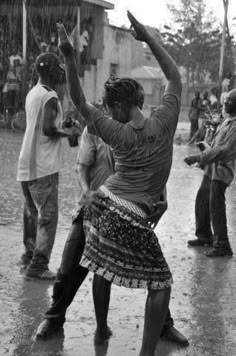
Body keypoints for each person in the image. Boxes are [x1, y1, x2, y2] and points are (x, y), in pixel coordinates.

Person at [56, 9, 182, 356]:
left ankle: (99, 330)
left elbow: (79, 102)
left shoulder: (117, 133)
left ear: (122, 106)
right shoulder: (166, 120)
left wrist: (69, 56)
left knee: (102, 267)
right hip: (127, 212)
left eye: (111, 108)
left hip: (104, 206)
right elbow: (174, 77)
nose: (108, 113)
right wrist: (148, 39)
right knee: (161, 284)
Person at [36, 120, 188, 348]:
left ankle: (163, 325)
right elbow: (81, 167)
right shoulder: (94, 130)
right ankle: (54, 319)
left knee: (152, 268)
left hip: (129, 211)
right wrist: (86, 192)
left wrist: (162, 198)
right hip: (93, 208)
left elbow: (155, 168)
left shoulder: (141, 133)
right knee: (68, 267)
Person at [16, 52, 79, 280]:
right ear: (54, 72)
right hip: (43, 167)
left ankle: (28, 258)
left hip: (25, 164)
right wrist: (69, 132)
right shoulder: (50, 96)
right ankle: (38, 266)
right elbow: (49, 129)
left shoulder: (33, 92)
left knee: (31, 213)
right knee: (48, 217)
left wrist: (63, 126)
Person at [184, 89, 236, 257]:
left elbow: (224, 150)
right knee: (202, 200)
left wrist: (199, 157)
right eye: (226, 100)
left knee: (216, 206)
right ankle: (204, 236)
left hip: (222, 171)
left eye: (230, 101)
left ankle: (223, 245)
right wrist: (206, 145)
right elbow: (215, 145)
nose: (225, 103)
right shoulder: (227, 120)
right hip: (212, 168)